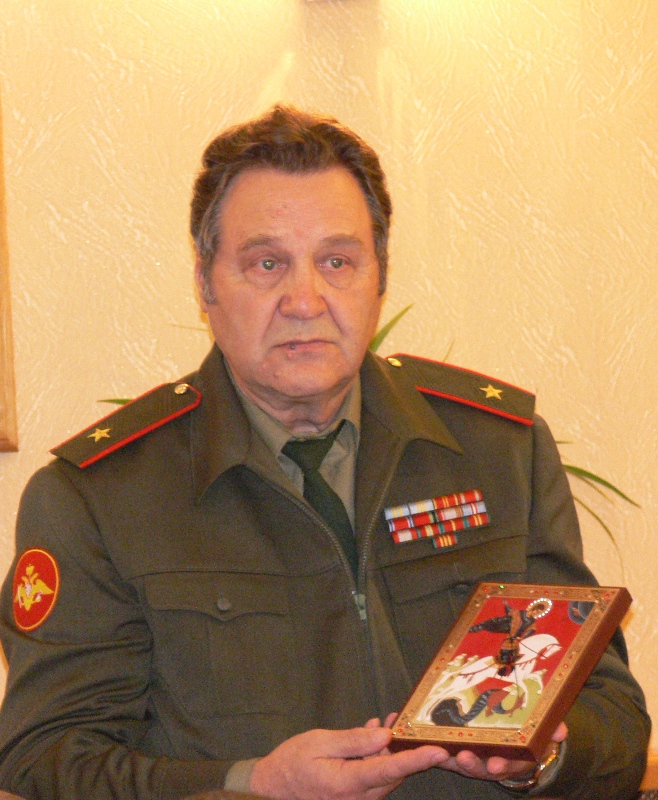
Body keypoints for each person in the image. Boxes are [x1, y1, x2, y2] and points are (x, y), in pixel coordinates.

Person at [0, 106, 649, 800]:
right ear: (205, 284)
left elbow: (611, 717)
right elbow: (45, 757)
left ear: (379, 278)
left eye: (337, 262)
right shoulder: (100, 497)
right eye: (267, 263)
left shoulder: (499, 454)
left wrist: (543, 757)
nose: (305, 300)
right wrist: (250, 785)